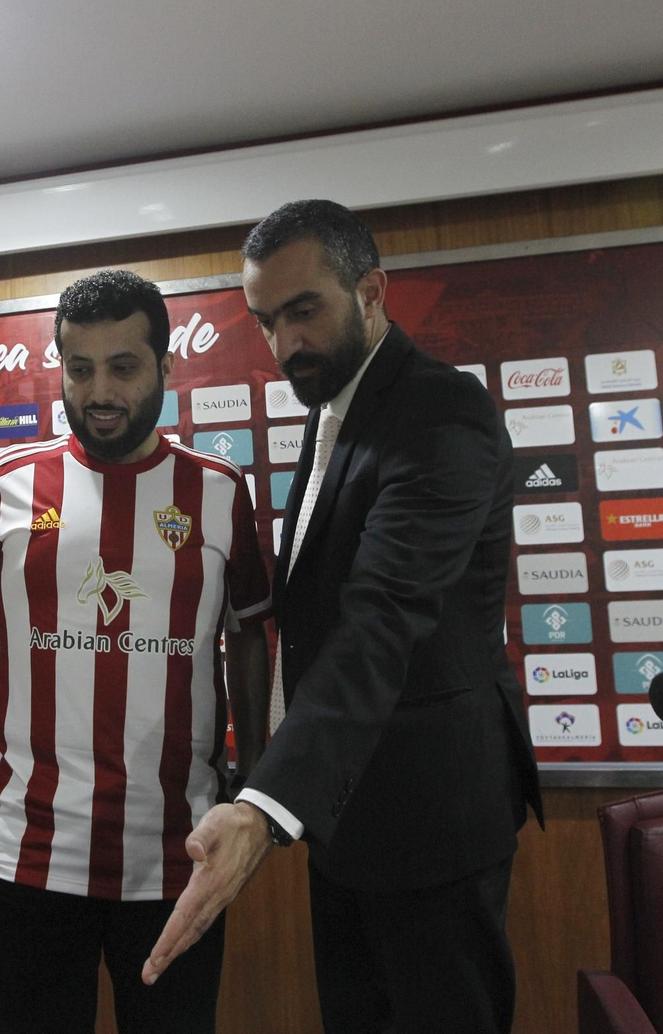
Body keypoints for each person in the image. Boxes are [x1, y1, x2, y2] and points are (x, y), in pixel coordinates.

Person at [143, 200, 544, 1034]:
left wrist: (262, 805)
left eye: (303, 311)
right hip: (345, 817)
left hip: (433, 819)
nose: (284, 343)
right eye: (264, 321)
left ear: (371, 291)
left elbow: (381, 619)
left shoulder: (440, 415)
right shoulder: (337, 406)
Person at [0, 268, 272, 1034]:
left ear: (166, 367)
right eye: (79, 368)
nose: (99, 391)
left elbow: (251, 631)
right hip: (31, 853)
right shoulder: (8, 483)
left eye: (123, 366)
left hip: (177, 857)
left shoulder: (218, 491)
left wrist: (253, 776)